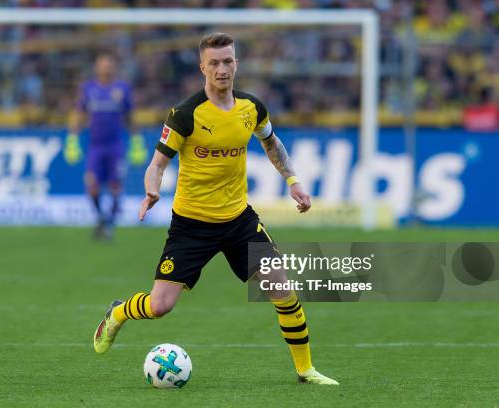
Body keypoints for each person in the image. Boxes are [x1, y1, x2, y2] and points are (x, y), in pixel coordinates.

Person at [92, 33, 338, 385]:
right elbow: (157, 164)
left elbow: (272, 144)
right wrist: (151, 189)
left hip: (239, 220)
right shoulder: (186, 114)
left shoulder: (251, 108)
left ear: (236, 64)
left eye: (228, 61)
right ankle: (118, 313)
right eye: (215, 63)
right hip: (191, 225)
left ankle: (305, 370)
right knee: (160, 306)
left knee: (281, 289)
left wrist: (293, 180)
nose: (222, 69)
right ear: (202, 67)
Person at [67, 52, 135, 240]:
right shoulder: (88, 89)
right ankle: (101, 218)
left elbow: (130, 117)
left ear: (113, 67)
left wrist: (136, 141)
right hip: (95, 146)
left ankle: (109, 223)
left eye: (108, 65)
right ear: (97, 68)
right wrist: (72, 139)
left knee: (115, 185)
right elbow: (79, 114)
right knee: (91, 184)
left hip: (115, 146)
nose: (105, 68)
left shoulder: (122, 89)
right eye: (102, 65)